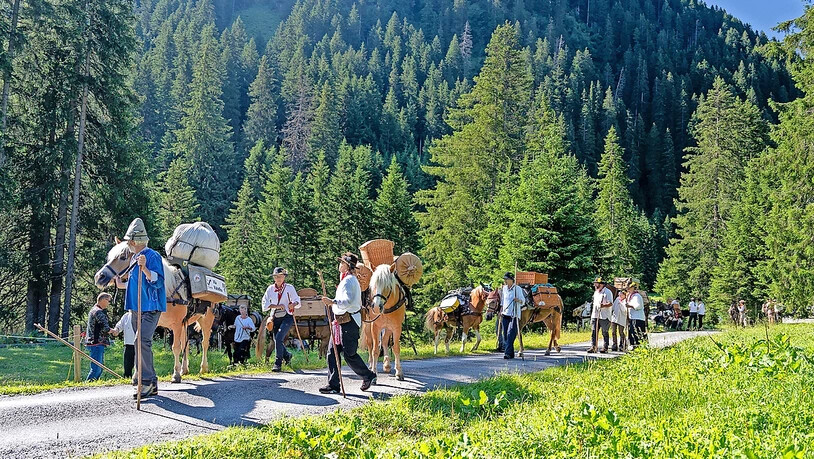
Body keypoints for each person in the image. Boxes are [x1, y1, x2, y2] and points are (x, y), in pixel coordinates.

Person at [115, 217, 166, 399]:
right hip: (135, 308)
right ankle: (148, 381)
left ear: (134, 242)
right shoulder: (132, 258)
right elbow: (132, 284)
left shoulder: (152, 256)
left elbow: (158, 282)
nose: (127, 244)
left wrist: (144, 269)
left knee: (141, 341)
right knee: (140, 343)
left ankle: (146, 381)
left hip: (151, 308)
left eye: (128, 241)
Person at [319, 252, 377, 394]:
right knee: (332, 353)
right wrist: (333, 302)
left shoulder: (350, 280)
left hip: (349, 321)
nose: (340, 264)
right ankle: (333, 385)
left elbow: (349, 301)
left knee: (349, 354)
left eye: (342, 262)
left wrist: (332, 302)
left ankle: (368, 375)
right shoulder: (346, 279)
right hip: (341, 322)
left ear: (347, 266)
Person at [261, 267, 301, 372]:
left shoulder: (289, 288)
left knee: (278, 339)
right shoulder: (270, 289)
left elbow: (297, 300)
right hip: (275, 317)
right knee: (276, 340)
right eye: (276, 276)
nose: (278, 278)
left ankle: (277, 364)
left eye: (280, 276)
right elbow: (264, 303)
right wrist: (276, 306)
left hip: (287, 317)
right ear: (274, 277)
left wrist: (293, 304)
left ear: (284, 277)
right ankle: (287, 355)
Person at [85, 293, 113, 381]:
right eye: (108, 301)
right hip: (96, 342)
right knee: (96, 369)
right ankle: (87, 387)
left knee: (98, 368)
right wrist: (114, 331)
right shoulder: (98, 312)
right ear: (103, 300)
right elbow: (105, 327)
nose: (109, 303)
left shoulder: (93, 310)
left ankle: (93, 387)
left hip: (93, 342)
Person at [500, 272, 525, 360]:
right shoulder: (504, 289)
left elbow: (523, 301)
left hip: (514, 314)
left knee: (511, 334)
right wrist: (501, 310)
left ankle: (507, 353)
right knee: (505, 334)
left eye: (506, 279)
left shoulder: (517, 289)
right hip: (505, 313)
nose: (505, 281)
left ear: (511, 280)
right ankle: (511, 353)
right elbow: (502, 301)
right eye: (505, 279)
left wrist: (518, 300)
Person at [589, 277, 613, 353]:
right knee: (593, 331)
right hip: (595, 315)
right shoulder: (596, 292)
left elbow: (610, 303)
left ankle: (605, 347)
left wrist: (603, 305)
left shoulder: (607, 292)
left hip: (604, 315)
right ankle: (593, 347)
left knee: (604, 332)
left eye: (596, 283)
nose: (595, 285)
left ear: (601, 284)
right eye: (595, 283)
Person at [111, 310, 135, 378]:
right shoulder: (126, 316)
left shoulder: (142, 314)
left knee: (140, 364)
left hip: (140, 344)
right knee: (127, 365)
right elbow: (119, 326)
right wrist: (116, 330)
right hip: (128, 344)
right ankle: (127, 378)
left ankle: (140, 379)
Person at [627, 283, 646, 349]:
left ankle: (637, 346)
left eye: (629, 288)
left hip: (637, 317)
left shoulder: (637, 296)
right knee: (632, 332)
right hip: (633, 317)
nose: (628, 289)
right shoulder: (631, 296)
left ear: (633, 288)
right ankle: (635, 346)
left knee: (636, 332)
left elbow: (638, 306)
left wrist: (630, 306)